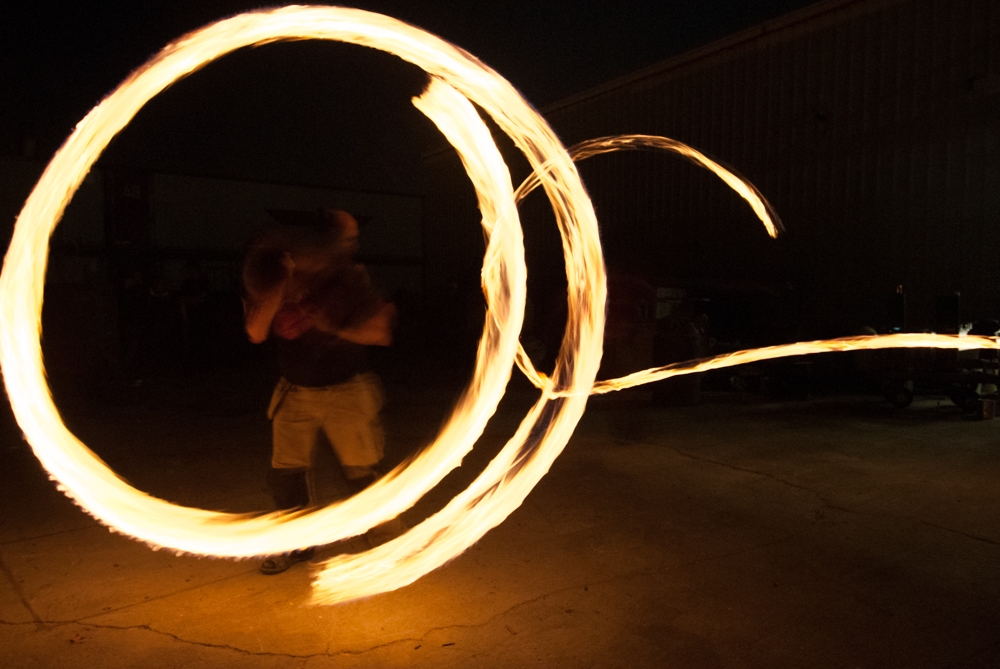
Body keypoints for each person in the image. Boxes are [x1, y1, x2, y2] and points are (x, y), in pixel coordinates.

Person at [242, 210, 398, 575]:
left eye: (353, 239)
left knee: (361, 474)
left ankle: (389, 542)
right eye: (346, 238)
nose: (351, 246)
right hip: (295, 390)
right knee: (285, 476)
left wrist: (328, 322)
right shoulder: (273, 274)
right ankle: (296, 543)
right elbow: (255, 331)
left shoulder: (349, 279)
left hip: (346, 389)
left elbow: (381, 333)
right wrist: (280, 287)